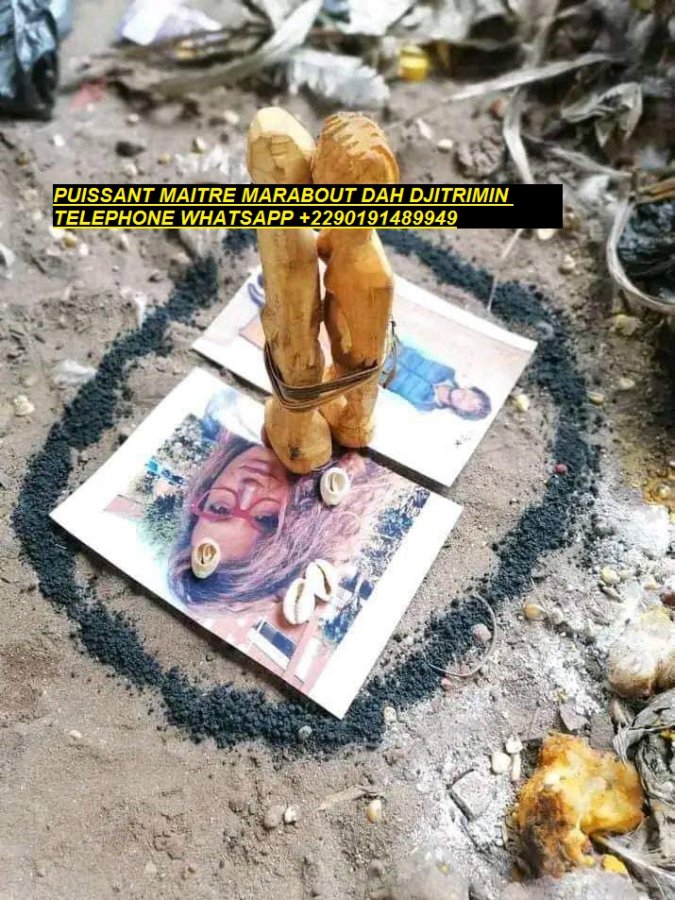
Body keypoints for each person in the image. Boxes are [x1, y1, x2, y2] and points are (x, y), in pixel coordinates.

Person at [382, 342, 491, 419]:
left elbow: (385, 393)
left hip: (376, 367)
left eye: (469, 406)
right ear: (471, 390)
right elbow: (418, 347)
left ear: (461, 412)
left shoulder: (422, 406)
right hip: (388, 344)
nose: (466, 398)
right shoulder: (447, 371)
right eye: (474, 397)